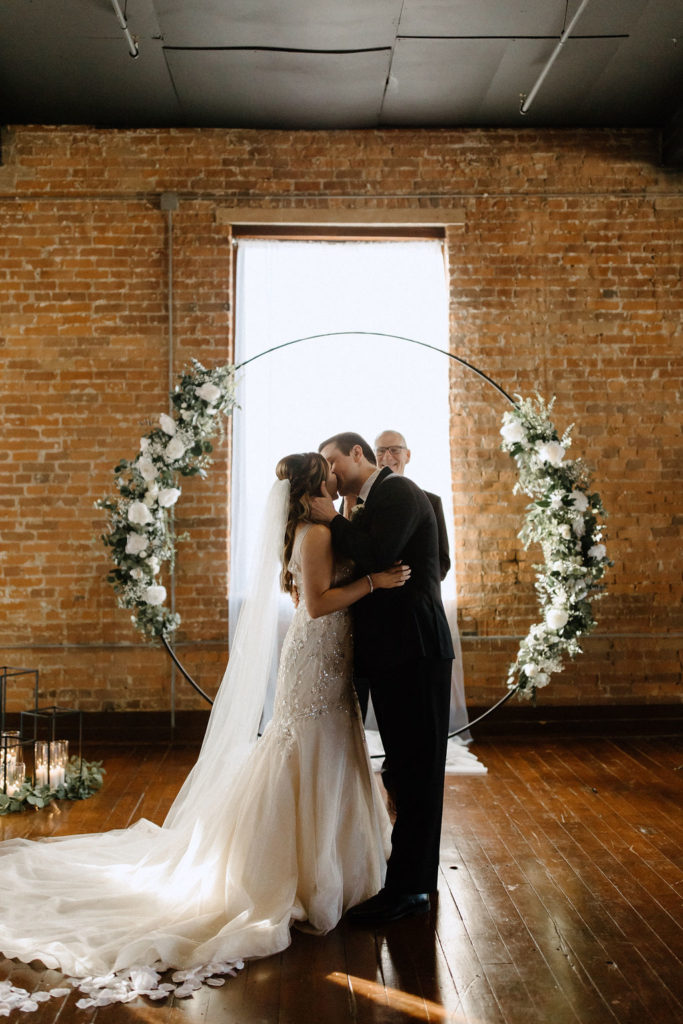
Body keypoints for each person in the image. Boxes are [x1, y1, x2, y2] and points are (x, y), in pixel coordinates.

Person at [0, 453, 409, 1006]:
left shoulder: (321, 527)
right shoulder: (314, 535)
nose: (339, 476)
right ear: (316, 486)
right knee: (306, 748)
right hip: (316, 656)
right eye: (330, 473)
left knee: (331, 748)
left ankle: (333, 864)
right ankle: (295, 873)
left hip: (329, 659)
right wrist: (374, 583)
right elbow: (315, 605)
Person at [311, 432, 454, 925]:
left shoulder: (395, 490)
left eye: (332, 461)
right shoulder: (362, 503)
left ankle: (410, 889)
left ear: (356, 455)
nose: (329, 472)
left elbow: (379, 554)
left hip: (414, 649)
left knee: (417, 771)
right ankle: (408, 875)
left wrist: (332, 520)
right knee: (402, 768)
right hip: (393, 653)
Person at [374, 429, 450, 581]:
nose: (387, 457)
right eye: (381, 451)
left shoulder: (432, 502)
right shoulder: (361, 500)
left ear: (407, 455)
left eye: (394, 450)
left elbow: (442, 563)